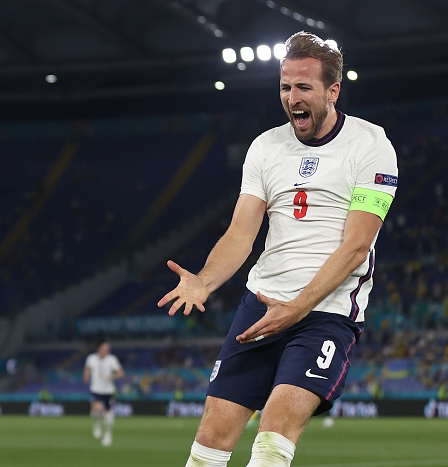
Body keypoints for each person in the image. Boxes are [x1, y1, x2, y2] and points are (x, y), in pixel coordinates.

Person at [158, 30, 397, 467]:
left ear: (333, 91)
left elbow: (357, 247)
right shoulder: (266, 147)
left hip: (325, 312)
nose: (292, 98)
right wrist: (205, 281)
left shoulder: (371, 145)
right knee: (209, 440)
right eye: (285, 87)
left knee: (272, 439)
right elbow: (240, 233)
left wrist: (298, 308)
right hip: (261, 305)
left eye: (304, 87)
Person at [83, 340, 124, 447]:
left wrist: (113, 376)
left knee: (107, 412)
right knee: (95, 410)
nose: (107, 350)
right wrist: (86, 375)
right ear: (100, 348)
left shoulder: (112, 359)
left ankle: (108, 434)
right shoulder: (91, 358)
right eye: (105, 348)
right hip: (96, 389)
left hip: (108, 390)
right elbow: (87, 368)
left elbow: (120, 372)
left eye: (108, 349)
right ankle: (97, 424)